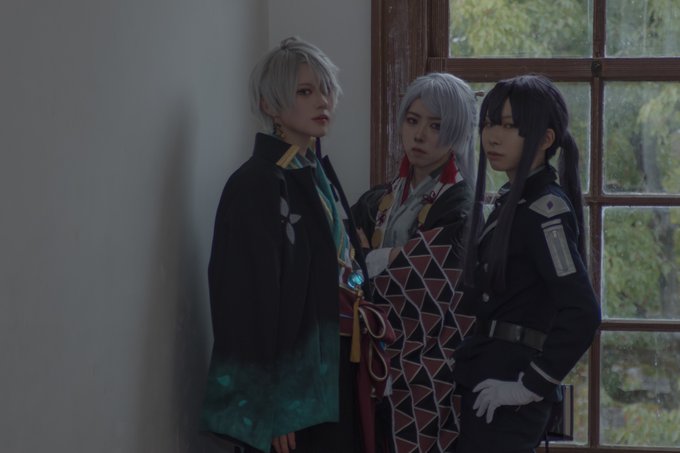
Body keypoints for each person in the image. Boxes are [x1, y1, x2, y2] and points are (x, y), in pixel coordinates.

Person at [200, 37, 390, 453]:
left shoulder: (311, 173)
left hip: (332, 362)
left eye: (326, 89)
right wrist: (270, 403)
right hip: (293, 383)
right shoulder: (257, 183)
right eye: (305, 92)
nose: (322, 101)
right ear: (270, 105)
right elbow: (247, 302)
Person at [452, 74, 602, 453]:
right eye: (489, 123)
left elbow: (582, 311)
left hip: (511, 383)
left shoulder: (544, 209)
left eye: (509, 126)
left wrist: (530, 385)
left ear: (545, 139)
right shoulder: (514, 200)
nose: (492, 137)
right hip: (488, 372)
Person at [352, 72, 478, 452]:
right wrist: (385, 259)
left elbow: (424, 284)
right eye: (412, 120)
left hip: (431, 369)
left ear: (457, 132)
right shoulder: (379, 198)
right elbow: (346, 263)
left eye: (436, 126)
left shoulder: (462, 206)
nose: (419, 135)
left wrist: (370, 260)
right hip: (371, 360)